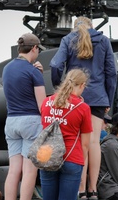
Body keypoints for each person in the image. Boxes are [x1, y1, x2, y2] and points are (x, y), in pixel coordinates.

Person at [50, 16, 117, 199]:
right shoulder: (103, 40)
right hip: (97, 98)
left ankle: (80, 191)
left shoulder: (68, 40)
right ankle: (93, 189)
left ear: (75, 27)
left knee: (80, 142)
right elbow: (112, 73)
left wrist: (60, 87)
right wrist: (107, 101)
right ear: (92, 26)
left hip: (74, 96)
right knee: (94, 142)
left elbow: (55, 64)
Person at [2, 33, 46, 200]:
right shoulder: (33, 72)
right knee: (29, 171)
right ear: (34, 48)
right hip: (30, 122)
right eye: (38, 50)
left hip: (11, 121)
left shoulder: (7, 68)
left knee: (14, 170)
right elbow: (42, 106)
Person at [39, 68, 93, 200]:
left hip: (47, 157)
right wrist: (81, 164)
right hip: (71, 158)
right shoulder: (83, 107)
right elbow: (85, 144)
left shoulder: (46, 102)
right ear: (82, 85)